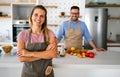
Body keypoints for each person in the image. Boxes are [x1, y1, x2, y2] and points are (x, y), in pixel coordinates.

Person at [17, 5, 57, 77]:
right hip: (28, 74)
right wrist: (45, 53)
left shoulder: (50, 33)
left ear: (44, 19)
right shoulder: (23, 34)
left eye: (42, 16)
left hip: (46, 73)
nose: (38, 18)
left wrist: (29, 54)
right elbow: (21, 58)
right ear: (31, 16)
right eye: (36, 15)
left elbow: (53, 54)